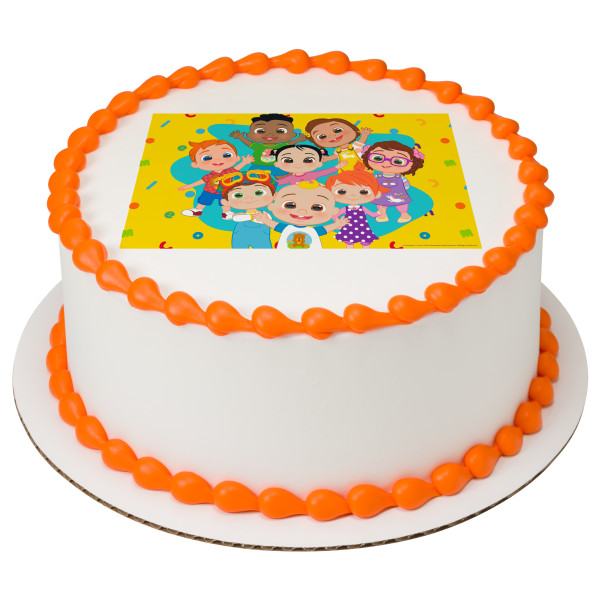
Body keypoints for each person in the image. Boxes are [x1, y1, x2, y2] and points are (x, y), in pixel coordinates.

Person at [253, 181, 348, 250]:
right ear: (272, 206)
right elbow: (275, 225)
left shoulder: (312, 231)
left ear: (333, 211)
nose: (302, 212)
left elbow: (324, 229)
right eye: (290, 205)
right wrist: (264, 219)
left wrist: (337, 225)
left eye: (317, 207)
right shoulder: (287, 228)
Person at [178, 139, 252, 217]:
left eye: (226, 155)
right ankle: (197, 210)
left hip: (224, 191)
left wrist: (244, 162)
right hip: (209, 191)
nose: (218, 160)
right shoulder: (211, 175)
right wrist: (189, 186)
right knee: (203, 201)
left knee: (225, 202)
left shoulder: (229, 172)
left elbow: (236, 169)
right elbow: (202, 181)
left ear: (237, 158)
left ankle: (227, 213)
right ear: (195, 164)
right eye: (207, 158)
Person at [362, 140, 425, 223]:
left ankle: (404, 214)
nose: (386, 163)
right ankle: (383, 214)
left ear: (412, 163)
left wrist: (401, 190)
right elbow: (372, 183)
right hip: (381, 194)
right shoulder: (377, 176)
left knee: (401, 204)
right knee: (381, 203)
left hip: (398, 194)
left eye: (398, 161)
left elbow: (406, 185)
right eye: (378, 158)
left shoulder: (400, 177)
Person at [325, 170, 389, 249]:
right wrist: (338, 223)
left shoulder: (362, 208)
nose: (353, 195)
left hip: (363, 228)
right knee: (349, 244)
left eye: (364, 192)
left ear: (377, 194)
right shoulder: (346, 208)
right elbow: (335, 215)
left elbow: (372, 215)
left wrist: (380, 212)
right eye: (342, 191)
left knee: (365, 244)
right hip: (349, 228)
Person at [229, 113, 306, 171]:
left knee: (284, 177)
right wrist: (240, 137)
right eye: (260, 131)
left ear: (292, 135)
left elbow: (290, 143)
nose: (270, 134)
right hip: (258, 165)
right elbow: (248, 143)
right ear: (249, 135)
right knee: (253, 178)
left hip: (277, 165)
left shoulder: (281, 146)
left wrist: (299, 139)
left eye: (280, 131)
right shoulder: (257, 146)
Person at [220, 171, 275, 249]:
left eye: (259, 192)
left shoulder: (265, 214)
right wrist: (251, 216)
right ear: (226, 202)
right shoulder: (240, 215)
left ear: (273, 196)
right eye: (238, 195)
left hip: (261, 239)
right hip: (240, 238)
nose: (249, 197)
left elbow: (270, 223)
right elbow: (235, 218)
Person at [305, 117, 372, 171]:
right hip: (345, 172)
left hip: (361, 170)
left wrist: (364, 135)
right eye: (322, 136)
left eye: (337, 130)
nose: (332, 136)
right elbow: (334, 156)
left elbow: (361, 141)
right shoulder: (338, 151)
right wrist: (327, 158)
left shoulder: (355, 146)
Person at [273, 144, 344, 186]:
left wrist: (337, 167)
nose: (298, 164)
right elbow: (276, 183)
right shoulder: (290, 178)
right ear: (277, 164)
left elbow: (325, 172)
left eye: (308, 160)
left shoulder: (312, 175)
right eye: (288, 160)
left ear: (319, 163)